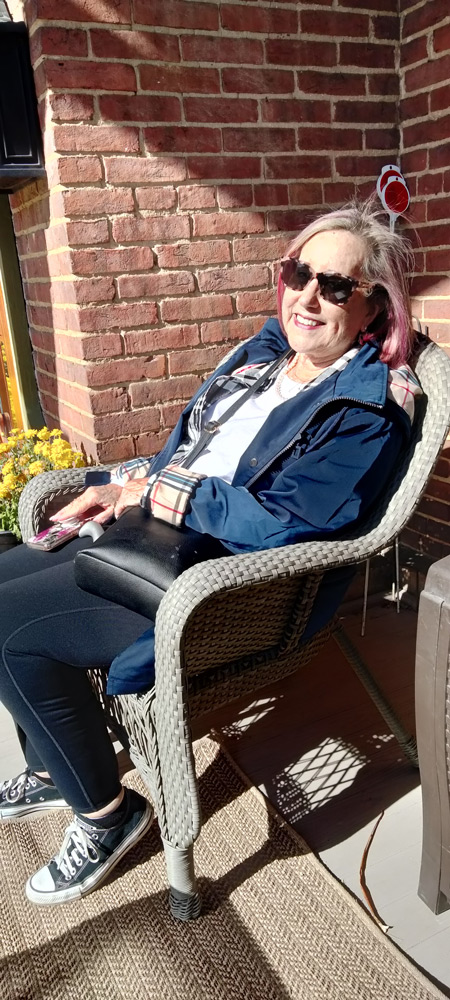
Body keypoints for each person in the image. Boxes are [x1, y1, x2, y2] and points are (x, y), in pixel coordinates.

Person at [0, 200, 422, 907]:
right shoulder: (262, 359)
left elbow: (289, 525)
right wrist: (116, 485)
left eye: (336, 286)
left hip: (214, 586)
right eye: (296, 273)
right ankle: (53, 762)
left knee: (10, 631)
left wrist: (161, 494)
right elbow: (188, 454)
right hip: (154, 537)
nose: (308, 297)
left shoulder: (363, 410)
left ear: (374, 306)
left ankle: (108, 817)